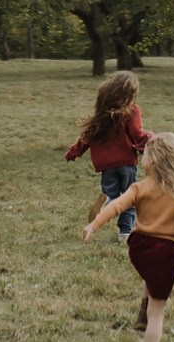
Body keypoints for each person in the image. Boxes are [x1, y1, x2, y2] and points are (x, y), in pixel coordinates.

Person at [83, 131, 174, 342]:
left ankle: (142, 310)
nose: (140, 157)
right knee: (158, 312)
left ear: (155, 159)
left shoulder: (140, 187)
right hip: (166, 251)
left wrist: (93, 226)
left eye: (144, 154)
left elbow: (114, 206)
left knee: (151, 275)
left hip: (139, 248)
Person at [63, 70, 151, 240]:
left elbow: (87, 138)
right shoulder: (132, 111)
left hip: (106, 165)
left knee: (111, 194)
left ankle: (107, 203)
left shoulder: (102, 115)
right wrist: (149, 142)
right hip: (126, 162)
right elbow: (136, 132)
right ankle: (125, 232)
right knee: (129, 197)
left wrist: (73, 153)